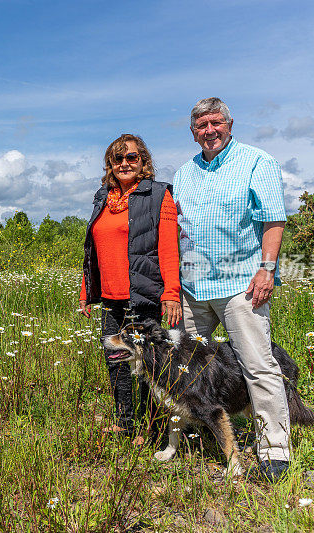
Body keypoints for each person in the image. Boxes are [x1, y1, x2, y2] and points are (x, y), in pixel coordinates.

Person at [173, 97, 290, 481]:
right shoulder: (184, 173)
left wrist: (267, 269)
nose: (210, 131)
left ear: (229, 123)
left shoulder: (257, 161)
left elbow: (273, 218)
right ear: (193, 132)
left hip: (241, 285)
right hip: (192, 287)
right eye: (201, 126)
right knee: (184, 368)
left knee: (258, 365)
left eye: (216, 123)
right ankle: (201, 433)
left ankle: (274, 449)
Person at [80, 133, 181, 441]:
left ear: (143, 162)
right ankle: (125, 421)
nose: (124, 163)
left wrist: (172, 294)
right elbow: (92, 249)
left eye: (131, 157)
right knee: (116, 360)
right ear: (110, 164)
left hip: (143, 295)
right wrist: (87, 291)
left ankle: (154, 429)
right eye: (117, 158)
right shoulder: (103, 196)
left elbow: (167, 248)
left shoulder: (157, 194)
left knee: (149, 365)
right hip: (111, 298)